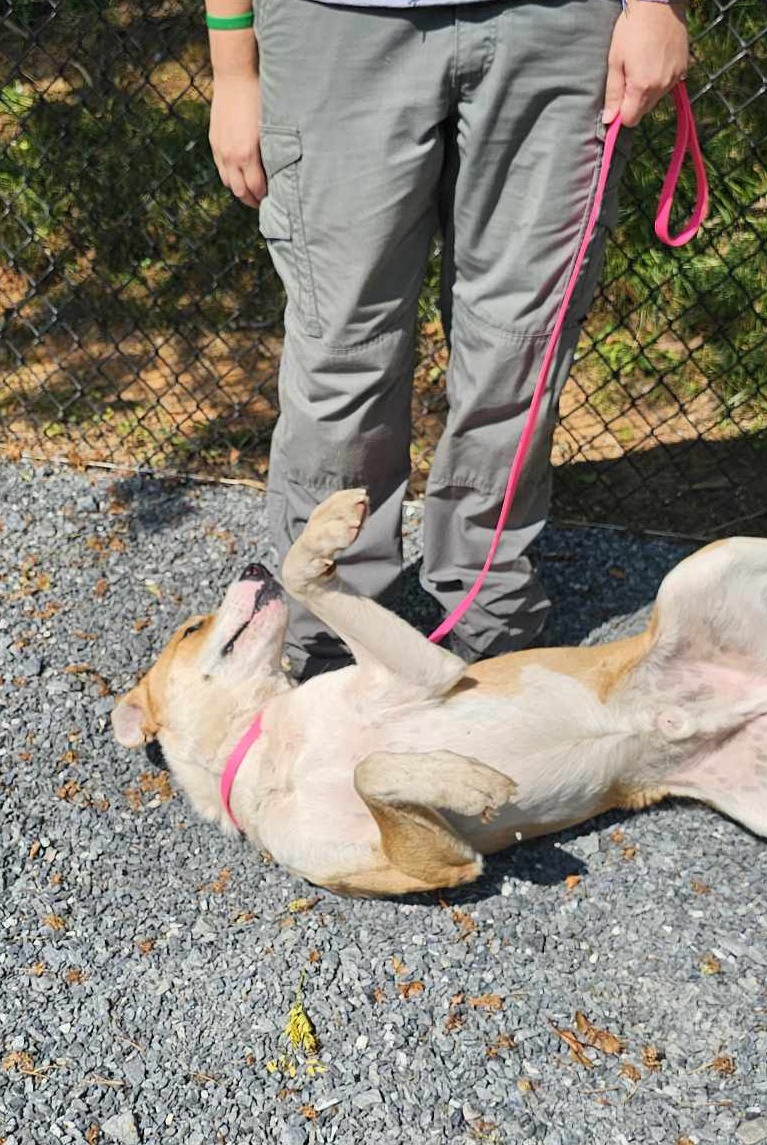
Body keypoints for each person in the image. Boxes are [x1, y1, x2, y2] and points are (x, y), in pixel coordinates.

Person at [205, 0, 689, 674]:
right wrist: (233, 68)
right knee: (340, 354)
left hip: (557, 26)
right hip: (336, 25)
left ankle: (491, 641)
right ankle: (324, 641)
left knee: (516, 349)